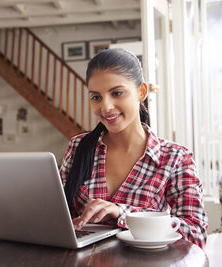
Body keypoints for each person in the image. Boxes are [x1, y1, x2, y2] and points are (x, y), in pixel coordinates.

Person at [60, 48, 208, 248]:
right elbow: (58, 214)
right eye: (96, 97)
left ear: (142, 92)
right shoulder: (78, 147)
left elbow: (196, 234)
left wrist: (123, 214)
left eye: (117, 93)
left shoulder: (175, 158)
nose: (106, 107)